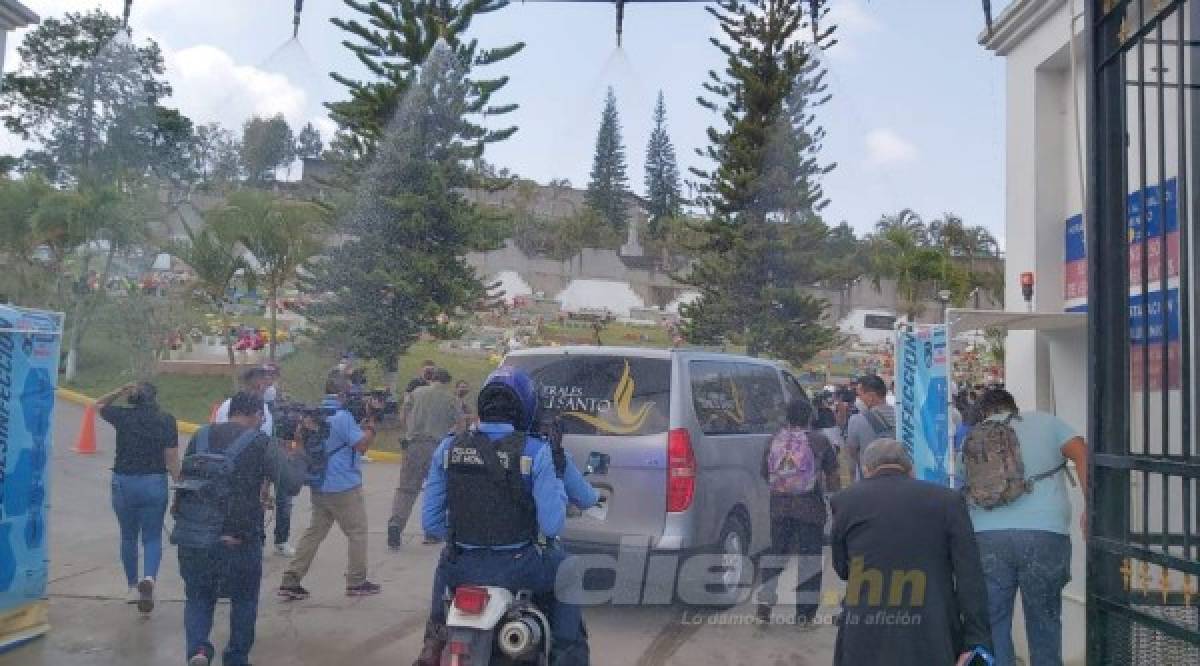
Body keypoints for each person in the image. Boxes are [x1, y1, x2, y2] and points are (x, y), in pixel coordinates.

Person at [414, 367, 587, 666]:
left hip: (462, 567)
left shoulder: (449, 447)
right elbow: (552, 525)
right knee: (568, 568)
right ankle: (565, 655)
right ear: (525, 409)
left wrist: (468, 537)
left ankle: (432, 643)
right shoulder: (536, 451)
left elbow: (430, 523)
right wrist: (557, 480)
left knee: (445, 559)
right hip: (520, 567)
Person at [830, 439, 993, 666]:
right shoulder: (948, 501)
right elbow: (969, 575)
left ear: (866, 469)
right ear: (910, 468)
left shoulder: (845, 501)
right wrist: (977, 640)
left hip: (865, 628)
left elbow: (843, 569)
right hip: (933, 629)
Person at [174, 392, 306, 666]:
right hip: (239, 538)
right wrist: (298, 454)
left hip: (196, 536)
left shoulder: (201, 435)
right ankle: (235, 658)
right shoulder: (261, 443)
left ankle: (198, 650)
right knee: (243, 601)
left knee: (199, 596)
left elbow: (185, 478)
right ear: (257, 415)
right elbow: (291, 485)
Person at [964, 388, 1088, 666]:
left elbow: (966, 486)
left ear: (984, 412)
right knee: (1043, 618)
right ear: (1013, 408)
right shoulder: (1045, 422)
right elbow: (1082, 452)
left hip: (986, 536)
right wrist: (1091, 507)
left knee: (994, 619)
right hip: (1044, 534)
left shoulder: (974, 436)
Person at [279, 378, 382, 600]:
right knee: (357, 533)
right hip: (343, 485)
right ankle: (356, 581)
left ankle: (291, 579)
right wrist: (372, 425)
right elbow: (361, 445)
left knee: (314, 532)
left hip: (319, 483)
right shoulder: (342, 417)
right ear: (342, 395)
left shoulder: (313, 415)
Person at [96, 382, 179, 613]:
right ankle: (150, 578)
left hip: (124, 482)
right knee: (152, 537)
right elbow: (171, 458)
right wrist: (180, 486)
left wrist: (118, 390)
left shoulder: (122, 416)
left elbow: (99, 405)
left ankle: (132, 587)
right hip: (154, 482)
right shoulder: (166, 420)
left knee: (128, 536)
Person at [756, 398, 840, 625]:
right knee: (809, 561)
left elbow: (765, 473)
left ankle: (765, 600)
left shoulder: (774, 440)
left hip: (780, 508)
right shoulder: (820, 441)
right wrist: (835, 502)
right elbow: (833, 476)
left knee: (776, 555)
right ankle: (804, 615)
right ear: (810, 417)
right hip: (810, 510)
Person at [214, 366, 293, 556]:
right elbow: (262, 449)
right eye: (265, 379)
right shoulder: (255, 408)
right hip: (247, 470)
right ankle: (252, 545)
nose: (268, 383)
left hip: (230, 468)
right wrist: (265, 483)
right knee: (251, 508)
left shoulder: (230, 404)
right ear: (257, 383)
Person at [388, 368, 463, 550]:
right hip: (437, 447)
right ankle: (432, 532)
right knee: (436, 490)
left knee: (406, 489)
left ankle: (396, 523)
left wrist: (410, 430)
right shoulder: (451, 399)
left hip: (413, 445)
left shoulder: (415, 393)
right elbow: (460, 425)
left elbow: (403, 416)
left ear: (432, 379)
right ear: (446, 382)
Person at [843, 374, 896, 481]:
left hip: (870, 481)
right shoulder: (900, 417)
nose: (858, 399)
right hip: (899, 481)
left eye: (859, 395)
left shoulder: (857, 420)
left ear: (871, 396)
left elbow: (852, 454)